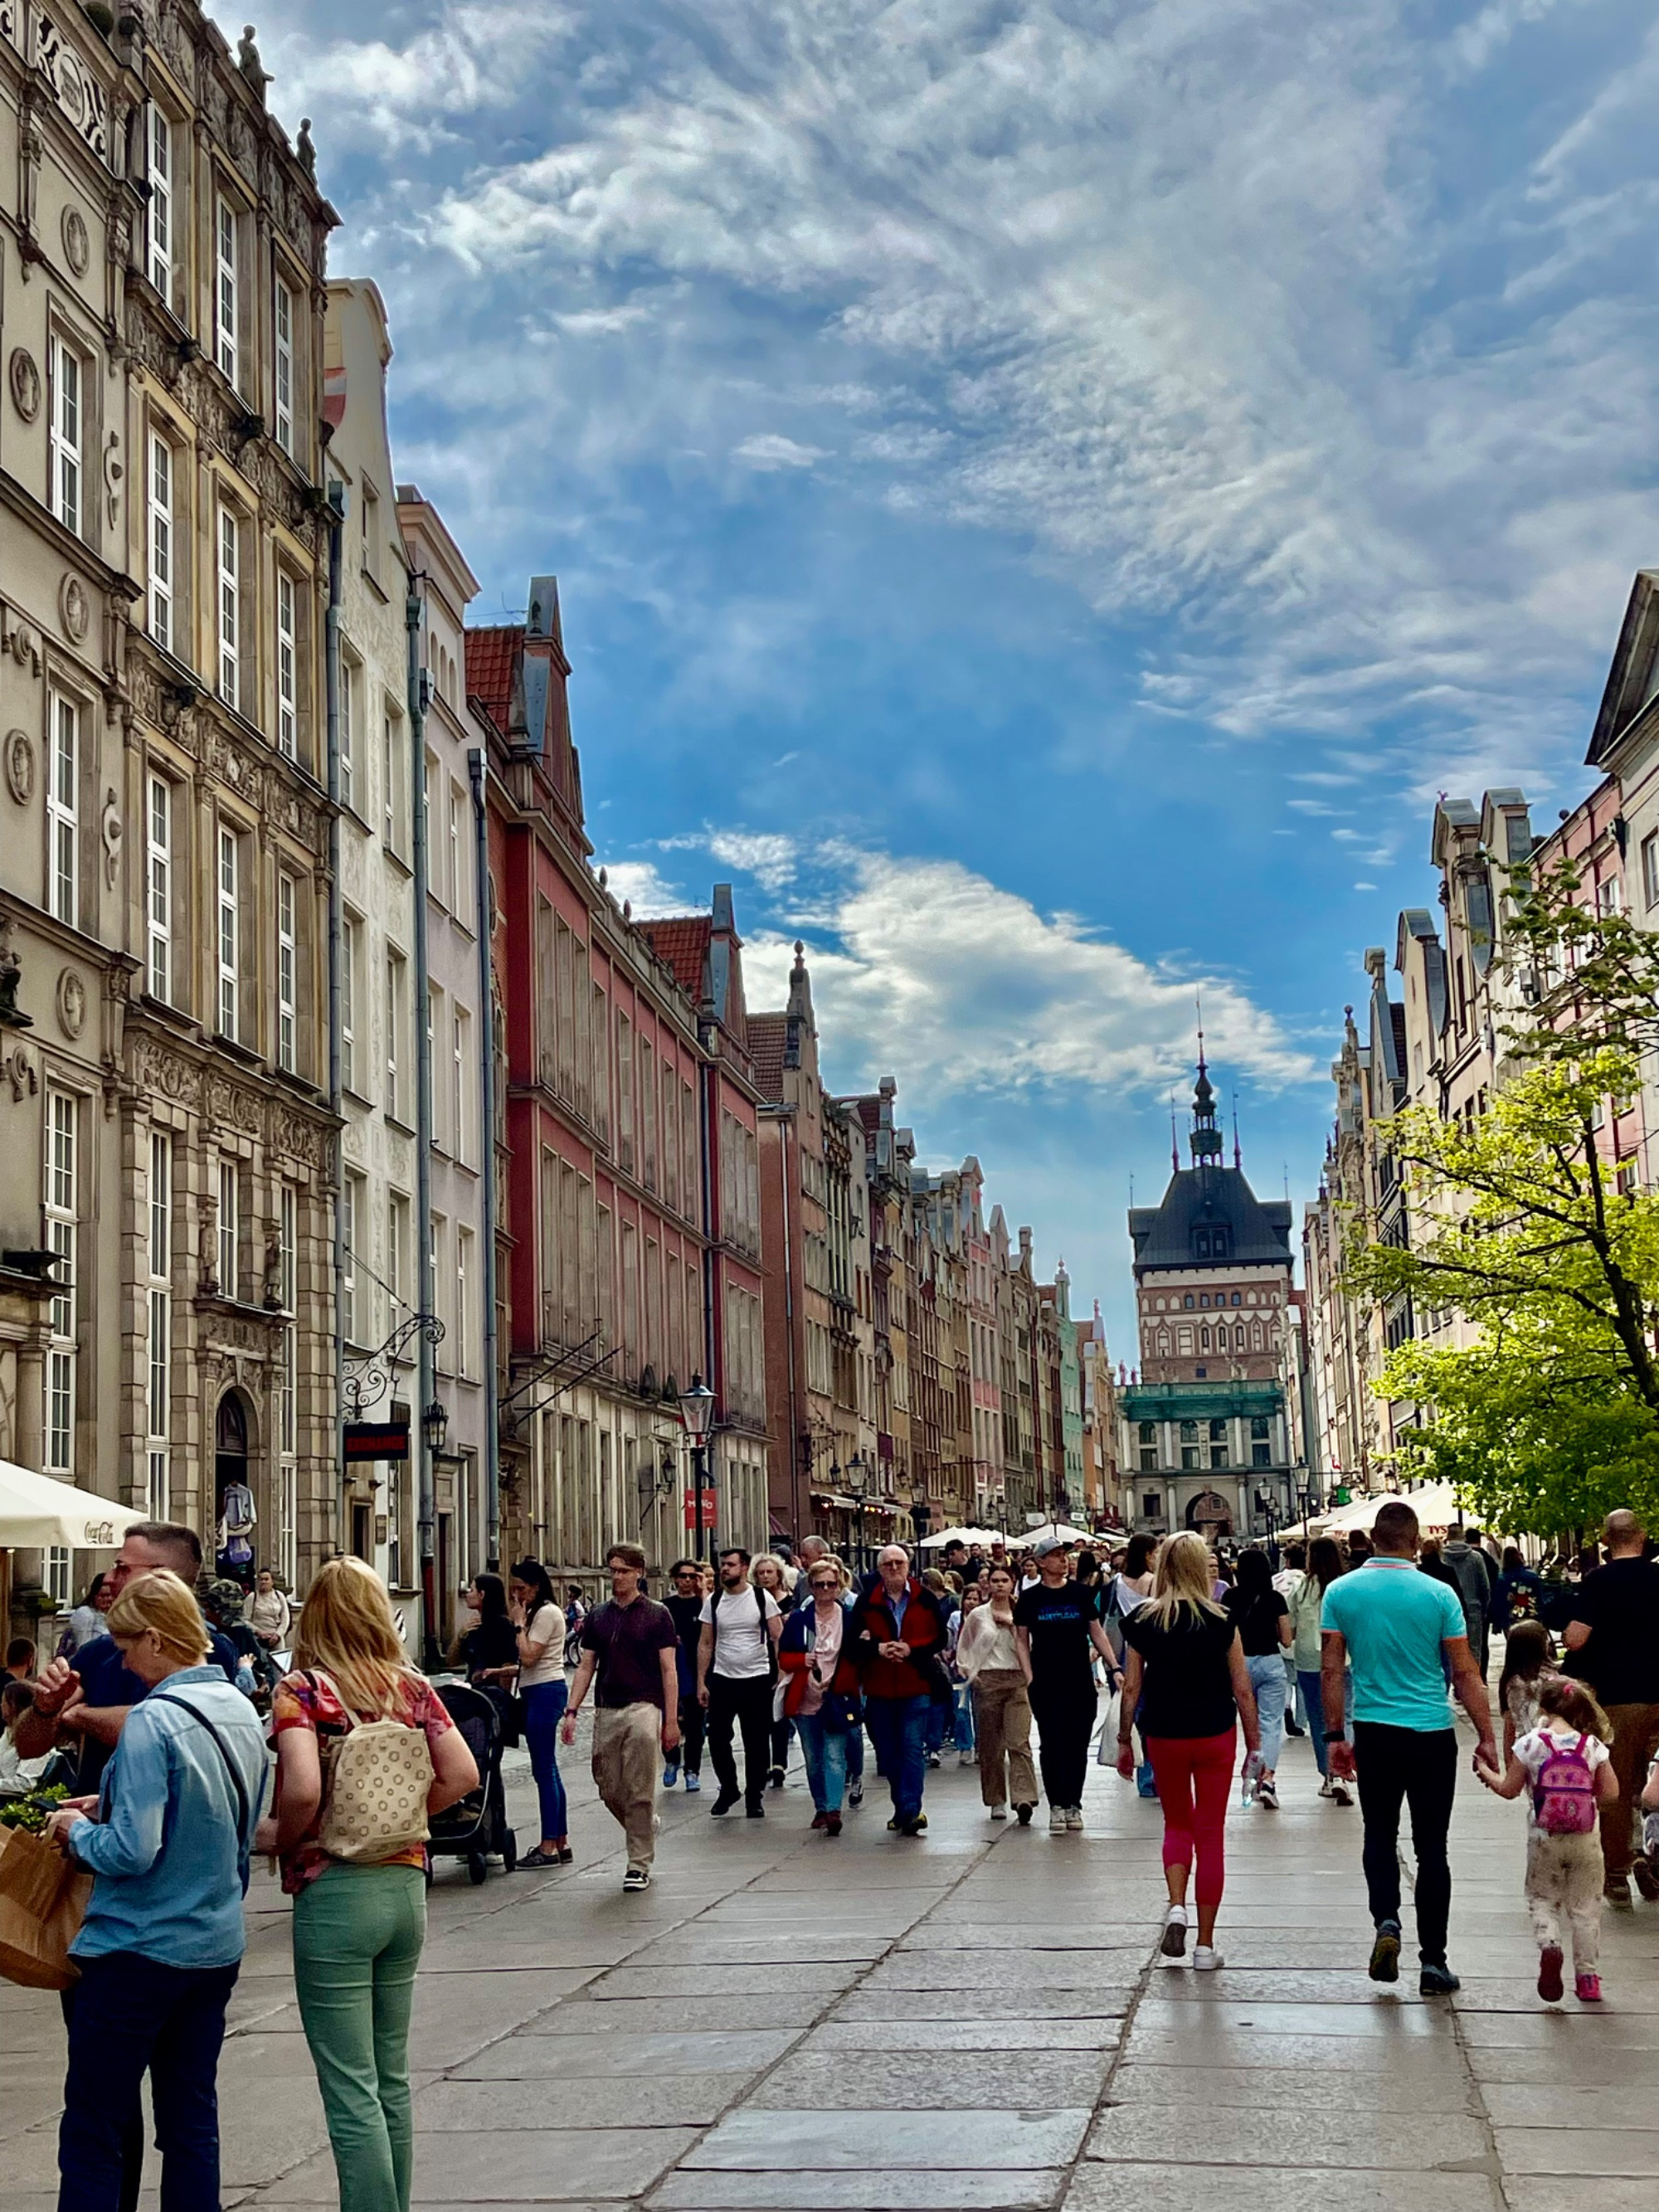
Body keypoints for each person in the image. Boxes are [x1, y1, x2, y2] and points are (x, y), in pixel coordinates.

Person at [261, 1557, 478, 2212]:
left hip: (336, 1893)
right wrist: (408, 1816)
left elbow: (301, 1785)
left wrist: (291, 1833)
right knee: (390, 2077)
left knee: (349, 2084)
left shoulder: (304, 1691)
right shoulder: (411, 1688)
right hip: (405, 1886)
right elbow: (462, 1773)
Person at [46, 1568, 265, 2212]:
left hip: (136, 1951)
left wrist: (72, 1832)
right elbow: (231, 1820)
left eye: (125, 1645)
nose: (121, 1659)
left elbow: (131, 1851)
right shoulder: (237, 1707)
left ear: (157, 1639)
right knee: (191, 2124)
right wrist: (109, 1800)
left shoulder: (152, 1721)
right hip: (214, 1945)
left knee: (95, 2130)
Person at [1321, 1499, 1497, 1995]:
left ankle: (1387, 1923)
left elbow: (1333, 1670)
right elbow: (1465, 1672)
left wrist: (1335, 1737)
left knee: (1379, 1832)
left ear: (1373, 1539)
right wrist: (1487, 1737)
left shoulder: (1341, 1592)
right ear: (1417, 1542)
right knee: (1431, 1847)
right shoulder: (1439, 1594)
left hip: (1374, 1730)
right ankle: (1434, 1961)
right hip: (1431, 1732)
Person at [1117, 1531, 1259, 1971]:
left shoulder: (1143, 1620)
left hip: (1165, 1733)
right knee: (1210, 1835)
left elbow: (1132, 1686)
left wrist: (1126, 1739)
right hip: (1215, 1734)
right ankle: (1204, 1945)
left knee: (1177, 1824)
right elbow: (1242, 1688)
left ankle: (1176, 1905)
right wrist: (1255, 1746)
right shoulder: (1222, 1620)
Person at [16, 1523, 241, 1796]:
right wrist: (45, 1708)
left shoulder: (207, 1647)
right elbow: (28, 1748)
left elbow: (160, 1729)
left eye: (123, 1568)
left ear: (161, 1577)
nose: (109, 1578)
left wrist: (80, 1715)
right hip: (93, 1825)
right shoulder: (98, 1651)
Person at [1475, 1674, 1618, 2004]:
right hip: (1586, 1838)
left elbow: (1509, 1789)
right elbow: (1611, 1794)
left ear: (1543, 1707)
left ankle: (1550, 1945)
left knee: (1542, 1899)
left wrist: (1486, 1771)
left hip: (1544, 1836)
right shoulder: (1592, 1745)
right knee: (1585, 1909)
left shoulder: (1531, 1744)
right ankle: (1587, 1979)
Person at [562, 1545, 680, 1890]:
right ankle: (643, 1825)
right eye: (613, 1570)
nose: (617, 1577)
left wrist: (670, 1720)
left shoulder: (657, 1615)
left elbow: (669, 1669)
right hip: (607, 1706)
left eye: (624, 1570)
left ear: (639, 1573)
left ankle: (638, 1863)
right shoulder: (599, 1615)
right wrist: (572, 1710)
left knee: (639, 1786)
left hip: (644, 1705)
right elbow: (586, 1665)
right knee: (607, 1783)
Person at [1563, 1508, 1659, 1905]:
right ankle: (1654, 1861)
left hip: (1618, 1699)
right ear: (1643, 1536)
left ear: (1605, 1540)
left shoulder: (1597, 1583)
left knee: (1617, 1788)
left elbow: (1576, 1640)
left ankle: (1617, 1873)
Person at [1015, 1536, 1121, 1832]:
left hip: (1078, 1679)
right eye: (1057, 1555)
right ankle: (1057, 1805)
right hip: (1046, 1680)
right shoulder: (1031, 1598)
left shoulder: (1080, 1594)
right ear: (1041, 1562)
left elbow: (1097, 1632)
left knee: (1077, 1742)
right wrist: (1029, 1677)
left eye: (1065, 1555)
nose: (1064, 1560)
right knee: (1052, 1743)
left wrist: (1113, 1666)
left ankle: (1074, 1802)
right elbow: (1021, 1640)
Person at [851, 1543, 950, 1835]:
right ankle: (901, 1807)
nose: (894, 1568)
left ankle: (911, 1809)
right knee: (888, 1753)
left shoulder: (925, 1599)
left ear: (908, 1566)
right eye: (888, 1564)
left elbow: (939, 1638)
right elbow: (853, 1644)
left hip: (915, 1684)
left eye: (899, 1563)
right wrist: (878, 1648)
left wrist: (911, 1649)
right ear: (880, 1569)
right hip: (879, 1688)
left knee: (911, 1748)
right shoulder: (866, 1602)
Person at [698, 1548, 783, 1817]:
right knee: (718, 1737)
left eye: (730, 1565)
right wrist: (702, 1681)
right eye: (723, 1565)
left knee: (756, 1740)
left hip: (757, 1677)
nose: (724, 1569)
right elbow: (706, 1642)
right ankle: (729, 1786)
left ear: (744, 1567)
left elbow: (777, 1636)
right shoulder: (714, 1601)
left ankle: (754, 1795)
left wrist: (781, 1672)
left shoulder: (761, 1598)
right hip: (723, 1677)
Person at [779, 1555, 860, 1833]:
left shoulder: (850, 1620)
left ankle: (834, 1810)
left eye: (831, 1584)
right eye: (820, 1585)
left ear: (839, 1587)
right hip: (805, 1698)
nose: (826, 1590)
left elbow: (858, 1659)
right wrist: (800, 1661)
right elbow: (783, 1657)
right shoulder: (799, 1620)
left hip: (837, 1696)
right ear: (811, 1587)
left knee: (834, 1756)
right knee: (813, 1759)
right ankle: (821, 1806)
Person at [958, 1562, 1038, 1821]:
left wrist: (1012, 1625)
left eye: (1005, 1580)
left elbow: (1032, 1645)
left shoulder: (1023, 1611)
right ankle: (996, 1800)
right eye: (995, 1581)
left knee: (1018, 1741)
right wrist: (970, 1671)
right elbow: (965, 1645)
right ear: (988, 1584)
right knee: (991, 1747)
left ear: (1013, 1582)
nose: (1000, 1585)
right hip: (989, 1680)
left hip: (1016, 1680)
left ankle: (1023, 1797)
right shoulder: (978, 1615)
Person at [508, 1558, 569, 1869]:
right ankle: (561, 1840)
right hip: (538, 1689)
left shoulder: (545, 1613)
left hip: (545, 1691)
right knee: (550, 1770)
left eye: (522, 1589)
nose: (517, 1595)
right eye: (514, 1589)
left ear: (536, 1586)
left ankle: (548, 1846)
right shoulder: (540, 1612)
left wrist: (518, 1623)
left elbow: (531, 1656)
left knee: (544, 1771)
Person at [1224, 1549, 1292, 1810]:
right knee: (1270, 1724)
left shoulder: (1230, 1596)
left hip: (1239, 1664)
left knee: (1248, 1726)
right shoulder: (1275, 1598)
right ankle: (1268, 1779)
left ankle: (1251, 1775)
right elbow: (1286, 1638)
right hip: (1270, 1662)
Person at [1290, 1537, 1352, 1804]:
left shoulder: (1301, 1589)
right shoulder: (1346, 1588)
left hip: (1308, 1661)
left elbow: (1290, 1628)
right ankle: (1343, 1770)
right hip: (1344, 1659)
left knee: (1317, 1719)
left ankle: (1329, 1774)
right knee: (1345, 1714)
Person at [662, 1557, 708, 1794]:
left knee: (695, 1724)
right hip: (670, 1670)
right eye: (683, 1576)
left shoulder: (703, 1605)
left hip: (695, 1670)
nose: (687, 1581)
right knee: (667, 1719)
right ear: (675, 1578)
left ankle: (693, 1770)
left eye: (692, 1576)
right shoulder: (665, 1606)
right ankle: (671, 1759)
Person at [752, 1552, 796, 1788]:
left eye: (769, 1572)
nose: (765, 1576)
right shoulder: (752, 1601)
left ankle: (778, 1763)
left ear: (779, 1574)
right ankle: (764, 1763)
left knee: (779, 1713)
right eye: (760, 1573)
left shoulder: (791, 1602)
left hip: (783, 1658)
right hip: (758, 1660)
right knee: (761, 1716)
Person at [1443, 1524, 1496, 1677]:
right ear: (1463, 1537)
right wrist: (1485, 1608)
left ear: (1448, 1537)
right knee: (1474, 1650)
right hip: (1473, 1609)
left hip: (1448, 1610)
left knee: (1451, 1651)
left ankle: (1456, 1686)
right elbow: (1484, 1586)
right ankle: (1473, 1684)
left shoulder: (1443, 1557)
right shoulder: (1475, 1557)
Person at [1498, 1620, 1556, 1757]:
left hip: (1526, 1747)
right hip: (1552, 1744)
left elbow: (1509, 1727)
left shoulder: (1510, 1682)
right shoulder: (1551, 1676)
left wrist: (1509, 1759)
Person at [0, 1680, 53, 1795]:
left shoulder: (35, 1740)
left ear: (13, 1704)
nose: (1, 1705)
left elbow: (25, 1784)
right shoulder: (8, 1733)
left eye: (3, 1701)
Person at [58, 1571, 111, 1657]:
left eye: (113, 1595)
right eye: (104, 1595)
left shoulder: (114, 1617)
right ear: (95, 1596)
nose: (109, 1599)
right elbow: (83, 1649)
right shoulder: (85, 1614)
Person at [1494, 1546, 1545, 1634]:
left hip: (1510, 1619)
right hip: (1531, 1616)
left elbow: (1498, 1603)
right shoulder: (1532, 1577)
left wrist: (1497, 1623)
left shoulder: (1501, 1580)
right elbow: (1540, 1599)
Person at [248, 1567, 292, 1651]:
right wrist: (258, 1632)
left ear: (272, 1582)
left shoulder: (279, 1596)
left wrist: (278, 1635)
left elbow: (285, 1618)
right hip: (258, 1639)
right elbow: (245, 1620)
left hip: (276, 1638)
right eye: (261, 1579)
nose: (263, 1582)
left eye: (266, 1579)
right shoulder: (252, 1597)